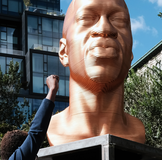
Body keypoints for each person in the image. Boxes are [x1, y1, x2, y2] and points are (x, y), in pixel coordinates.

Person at [46, 0, 145, 146]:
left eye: (118, 20)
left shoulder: (137, 131)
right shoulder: (52, 129)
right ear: (64, 52)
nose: (105, 28)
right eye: (86, 18)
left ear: (130, 54)